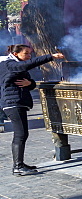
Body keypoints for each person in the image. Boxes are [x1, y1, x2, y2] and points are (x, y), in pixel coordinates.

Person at [2, 44, 65, 176]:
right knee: (20, 134)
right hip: (13, 103)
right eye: (26, 53)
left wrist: (29, 84)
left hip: (17, 103)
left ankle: (20, 164)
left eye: (30, 54)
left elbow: (30, 83)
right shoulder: (9, 64)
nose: (29, 56)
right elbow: (26, 65)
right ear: (15, 54)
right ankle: (18, 166)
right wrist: (51, 57)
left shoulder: (16, 66)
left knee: (22, 134)